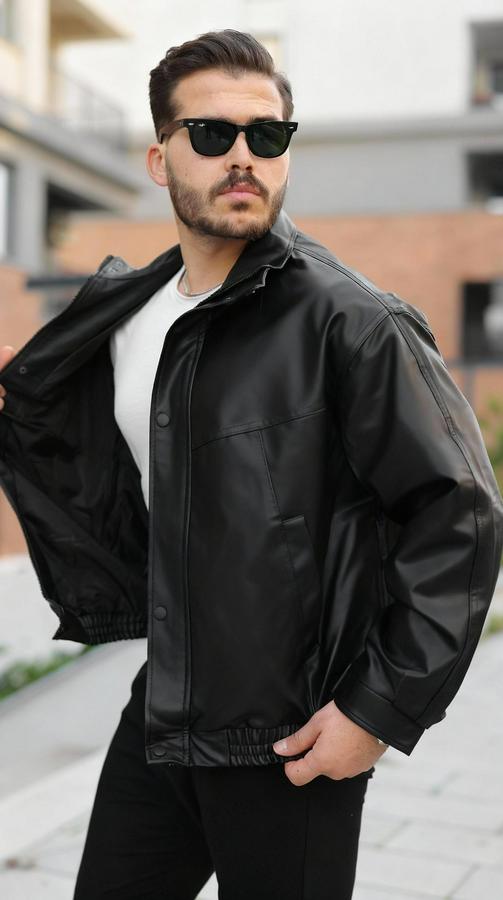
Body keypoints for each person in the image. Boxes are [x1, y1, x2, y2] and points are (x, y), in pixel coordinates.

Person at [0, 28, 502, 900]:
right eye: (212, 134)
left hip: (294, 734)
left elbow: (457, 514)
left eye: (266, 136)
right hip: (166, 702)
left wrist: (376, 711)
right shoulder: (133, 311)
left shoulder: (352, 321)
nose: (243, 156)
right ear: (159, 158)